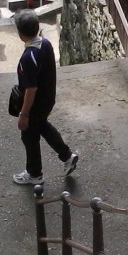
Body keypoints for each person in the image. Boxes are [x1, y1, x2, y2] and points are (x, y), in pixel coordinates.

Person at [12, 10, 77, 185]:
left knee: (29, 136)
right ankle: (67, 156)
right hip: (48, 99)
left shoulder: (28, 57)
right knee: (42, 127)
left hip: (36, 104)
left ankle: (35, 174)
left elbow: (31, 88)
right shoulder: (45, 43)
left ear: (20, 34)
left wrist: (24, 114)